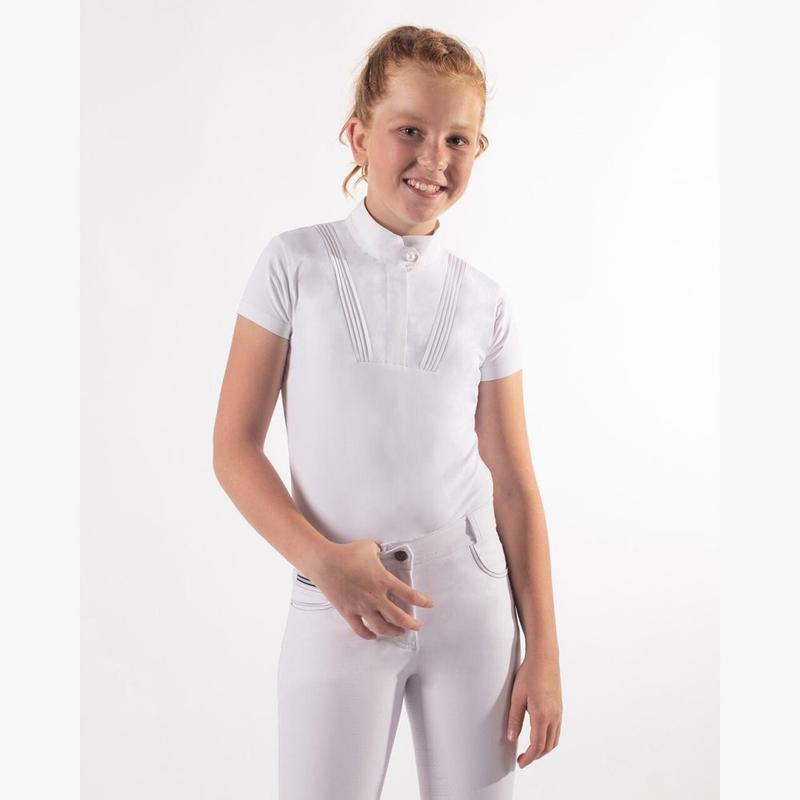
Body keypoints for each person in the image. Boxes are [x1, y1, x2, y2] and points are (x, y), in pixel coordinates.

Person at [213, 25, 562, 800]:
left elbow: (513, 486)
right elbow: (234, 446)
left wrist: (544, 651)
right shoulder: (293, 265)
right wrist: (323, 562)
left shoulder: (485, 302)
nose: (434, 158)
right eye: (410, 131)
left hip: (471, 610)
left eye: (458, 139)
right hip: (336, 602)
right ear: (358, 135)